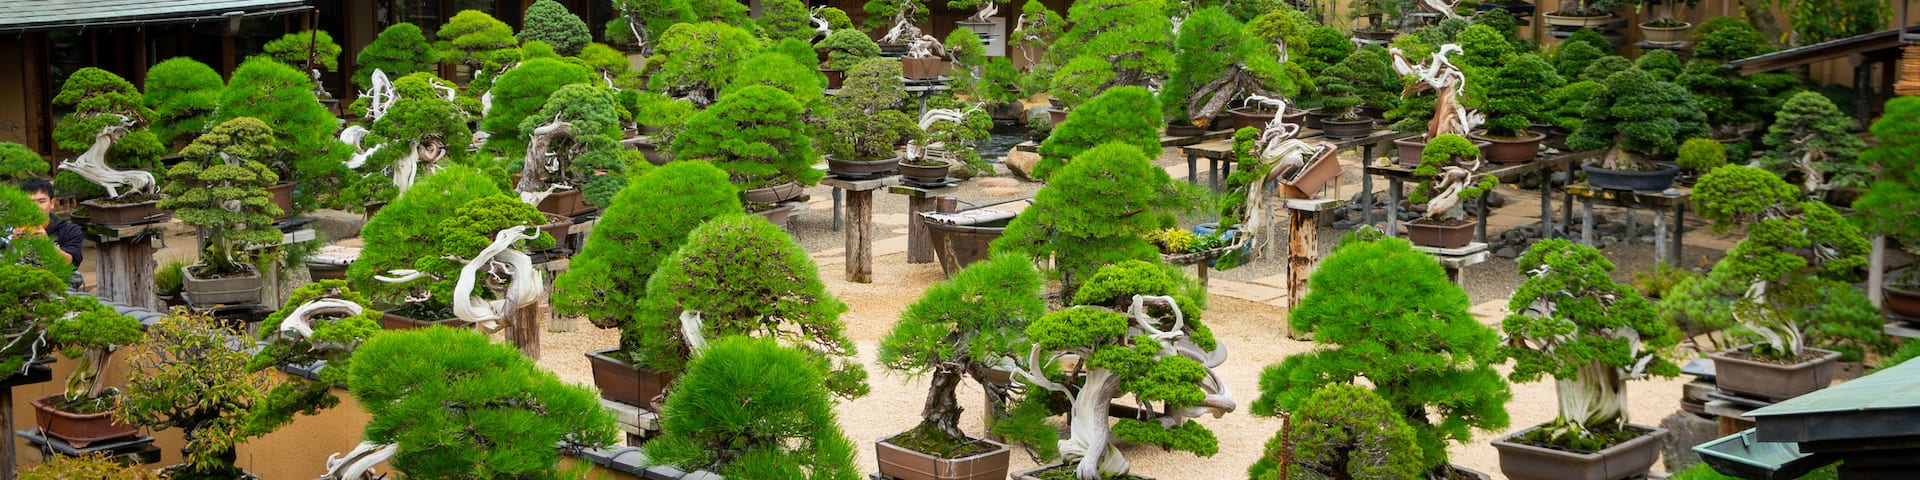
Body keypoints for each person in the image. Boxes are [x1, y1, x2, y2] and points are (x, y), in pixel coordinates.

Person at [15, 178, 84, 269]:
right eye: (28, 202)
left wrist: (47, 244)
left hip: (55, 280)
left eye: (41, 201)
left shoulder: (69, 230)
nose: (35, 207)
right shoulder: (9, 228)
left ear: (52, 203)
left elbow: (71, 263)